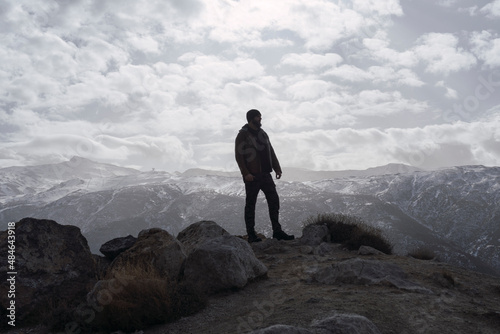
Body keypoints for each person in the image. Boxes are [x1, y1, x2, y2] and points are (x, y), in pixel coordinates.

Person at [235, 109, 295, 243]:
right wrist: (246, 174)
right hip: (252, 176)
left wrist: (277, 168)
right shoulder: (242, 135)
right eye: (258, 118)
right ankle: (251, 235)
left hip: (266, 174)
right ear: (251, 119)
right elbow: (239, 157)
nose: (260, 120)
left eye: (260, 117)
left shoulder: (263, 134)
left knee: (274, 201)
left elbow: (271, 151)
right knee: (251, 205)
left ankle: (277, 231)